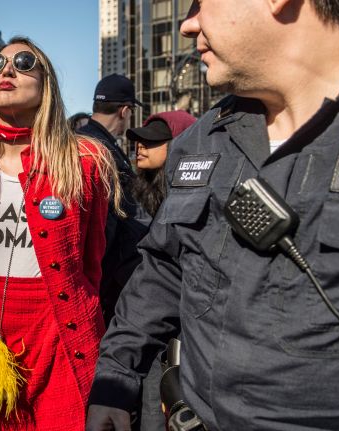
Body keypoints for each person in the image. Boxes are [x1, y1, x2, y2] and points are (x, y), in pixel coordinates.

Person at [87, 1, 339, 430]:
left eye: (198, 4)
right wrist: (116, 377)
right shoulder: (201, 140)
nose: (188, 25)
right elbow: (163, 270)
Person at [0, 36, 122, 431]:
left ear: (45, 82)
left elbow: (93, 261)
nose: (7, 70)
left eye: (23, 61)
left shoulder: (84, 161)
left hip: (59, 330)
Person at [124, 111, 196, 431]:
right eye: (139, 140)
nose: (140, 146)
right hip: (153, 321)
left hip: (186, 330)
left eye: (152, 141)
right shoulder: (148, 188)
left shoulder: (187, 194)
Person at [77, 74, 147, 326]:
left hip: (99, 271)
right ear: (124, 110)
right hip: (104, 276)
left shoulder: (80, 140)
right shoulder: (101, 148)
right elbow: (103, 221)